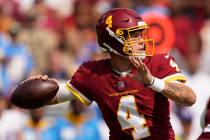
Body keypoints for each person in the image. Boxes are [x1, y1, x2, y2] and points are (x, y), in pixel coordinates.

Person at [24, 8, 196, 140]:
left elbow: (189, 98)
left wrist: (152, 82)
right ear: (113, 39)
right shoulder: (93, 74)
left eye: (140, 34)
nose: (141, 41)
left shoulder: (158, 63)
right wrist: (39, 86)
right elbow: (52, 96)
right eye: (133, 35)